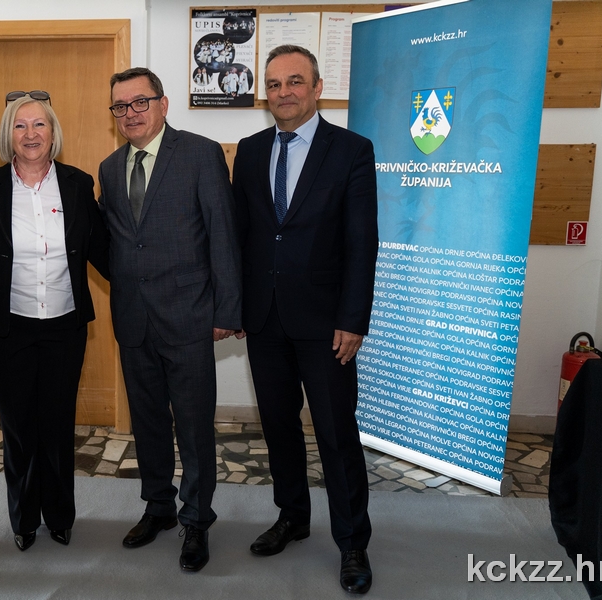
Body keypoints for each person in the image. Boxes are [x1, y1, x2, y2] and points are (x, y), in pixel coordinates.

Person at [232, 44, 378, 594]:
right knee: (278, 426)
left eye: (295, 81)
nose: (284, 92)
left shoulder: (352, 150)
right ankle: (292, 516)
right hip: (264, 319)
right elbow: (243, 236)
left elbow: (362, 241)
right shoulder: (250, 151)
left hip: (327, 325)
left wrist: (353, 318)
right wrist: (235, 306)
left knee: (337, 434)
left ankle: (352, 542)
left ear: (317, 88)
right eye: (273, 84)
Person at [97, 67, 240, 572]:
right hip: (134, 320)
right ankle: (157, 506)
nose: (130, 113)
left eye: (140, 102)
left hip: (190, 316)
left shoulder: (200, 154)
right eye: (120, 106)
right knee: (148, 422)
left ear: (163, 103)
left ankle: (196, 520)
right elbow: (116, 242)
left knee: (194, 427)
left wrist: (227, 310)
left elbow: (223, 233)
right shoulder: (109, 168)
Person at [0, 92, 109, 552]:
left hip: (65, 325)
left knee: (58, 424)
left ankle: (60, 516)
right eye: (20, 125)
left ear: (53, 132)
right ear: (9, 135)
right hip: (10, 327)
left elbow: (102, 250)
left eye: (39, 124)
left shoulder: (78, 184)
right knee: (19, 428)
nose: (30, 134)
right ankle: (24, 519)